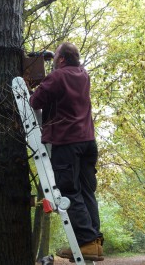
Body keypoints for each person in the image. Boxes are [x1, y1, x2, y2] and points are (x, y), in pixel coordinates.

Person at [30, 42, 104, 262]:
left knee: (69, 190)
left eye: (55, 59)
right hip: (88, 142)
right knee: (86, 191)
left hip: (67, 142)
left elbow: (35, 100)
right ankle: (95, 242)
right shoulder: (83, 75)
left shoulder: (58, 77)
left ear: (61, 59)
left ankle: (87, 241)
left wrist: (37, 84)